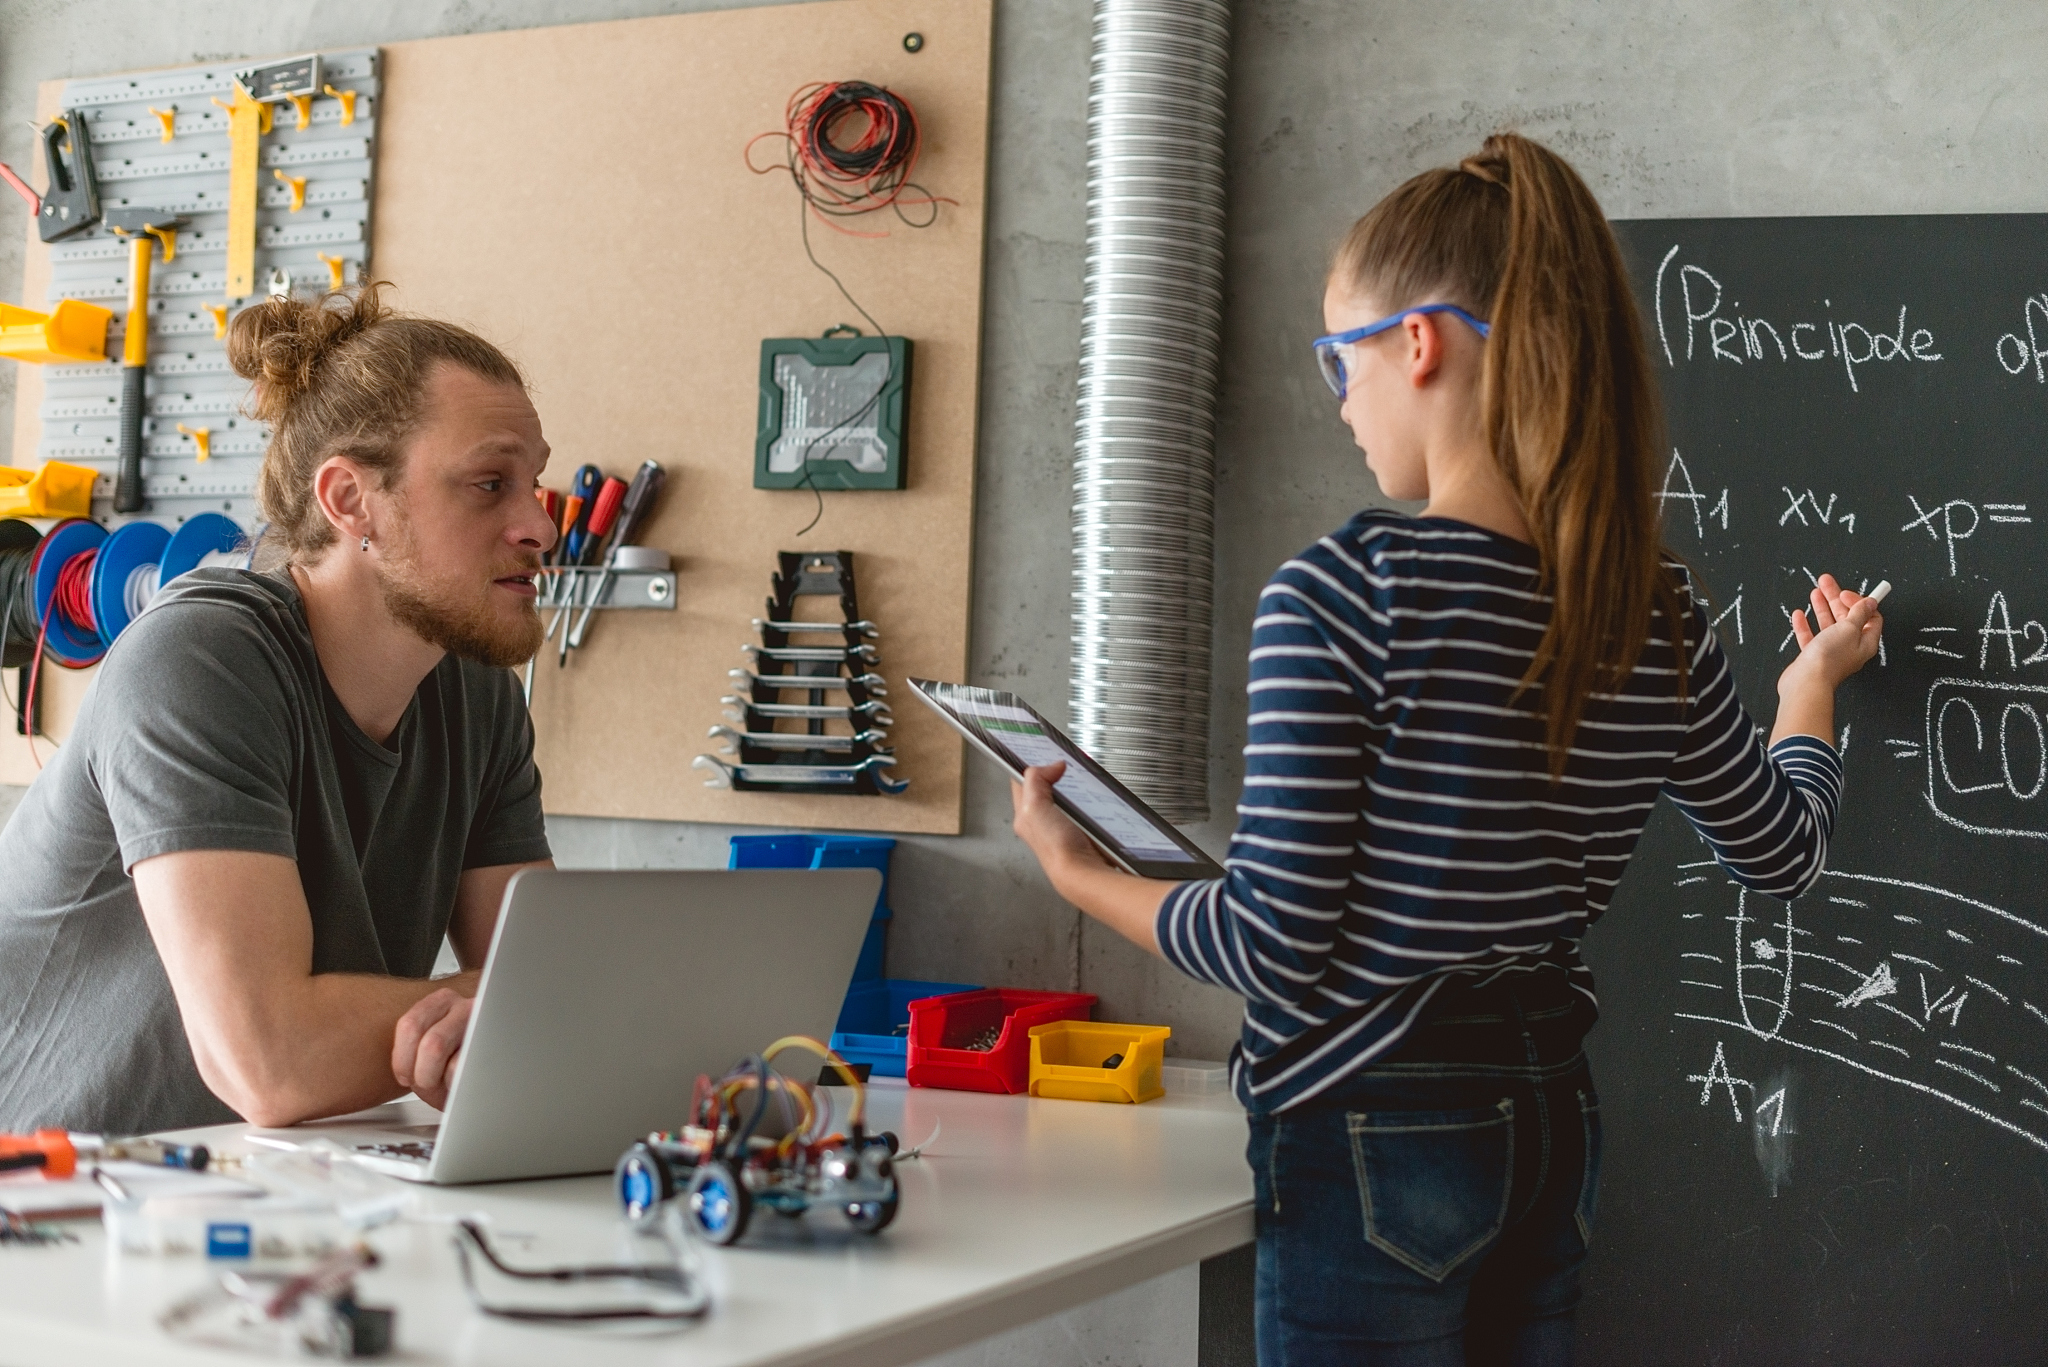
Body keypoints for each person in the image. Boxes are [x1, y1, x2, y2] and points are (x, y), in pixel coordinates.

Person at [1009, 133, 1882, 1365]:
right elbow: (1782, 851)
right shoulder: (1654, 606)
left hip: (1372, 1118)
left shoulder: (1340, 593)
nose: (1343, 405)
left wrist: (1072, 868)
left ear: (1414, 344)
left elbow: (1271, 940)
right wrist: (1809, 685)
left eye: (1338, 361)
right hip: (1546, 1121)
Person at [0, 284, 559, 1135]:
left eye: (536, 482)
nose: (540, 526)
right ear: (349, 500)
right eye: (490, 484)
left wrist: (525, 997)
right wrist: (503, 1001)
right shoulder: (197, 660)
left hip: (257, 1192)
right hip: (52, 1212)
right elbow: (267, 1060)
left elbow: (561, 978)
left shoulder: (476, 693)